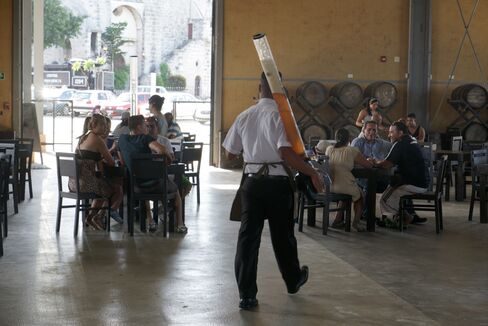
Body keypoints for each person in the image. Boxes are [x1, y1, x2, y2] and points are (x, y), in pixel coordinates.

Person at [223, 72, 324, 310]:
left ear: (259, 87)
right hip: (278, 184)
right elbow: (286, 154)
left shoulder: (244, 115)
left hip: (252, 183)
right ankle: (292, 281)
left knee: (248, 239)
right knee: (283, 237)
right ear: (280, 88)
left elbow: (230, 153)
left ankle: (247, 295)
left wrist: (253, 152)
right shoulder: (281, 116)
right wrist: (311, 172)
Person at [118, 115, 187, 233]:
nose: (147, 128)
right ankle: (179, 224)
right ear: (139, 127)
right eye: (145, 125)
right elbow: (162, 150)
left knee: (145, 185)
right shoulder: (145, 138)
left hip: (137, 186)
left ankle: (150, 221)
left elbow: (122, 161)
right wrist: (168, 160)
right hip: (157, 185)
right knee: (176, 191)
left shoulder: (122, 139)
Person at [68, 114, 123, 230]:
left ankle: (90, 217)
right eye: (102, 125)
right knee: (116, 189)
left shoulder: (83, 137)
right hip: (86, 184)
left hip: (74, 183)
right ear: (93, 125)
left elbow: (91, 157)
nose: (105, 128)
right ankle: (98, 216)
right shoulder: (97, 139)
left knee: (103, 187)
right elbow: (111, 162)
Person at [373, 121, 429, 225]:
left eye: (391, 132)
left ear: (400, 133)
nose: (389, 135)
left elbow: (387, 164)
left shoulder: (400, 143)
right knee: (391, 189)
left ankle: (391, 221)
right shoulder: (412, 140)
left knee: (384, 199)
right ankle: (407, 217)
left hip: (413, 184)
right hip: (423, 183)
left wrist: (374, 162)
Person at [325, 128, 374, 231]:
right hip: (345, 185)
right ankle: (356, 223)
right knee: (360, 196)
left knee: (346, 195)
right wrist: (371, 161)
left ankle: (337, 220)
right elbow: (368, 165)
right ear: (349, 139)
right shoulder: (351, 150)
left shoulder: (329, 149)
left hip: (330, 185)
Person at [350, 121, 392, 219]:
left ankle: (406, 214)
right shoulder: (358, 142)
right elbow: (353, 160)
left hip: (378, 175)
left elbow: (393, 147)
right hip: (361, 176)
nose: (372, 132)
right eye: (369, 130)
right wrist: (366, 161)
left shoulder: (380, 142)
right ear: (363, 130)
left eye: (374, 130)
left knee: (398, 182)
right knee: (369, 183)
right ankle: (367, 214)